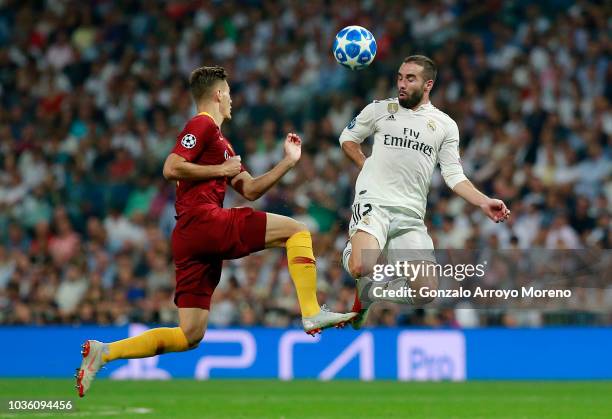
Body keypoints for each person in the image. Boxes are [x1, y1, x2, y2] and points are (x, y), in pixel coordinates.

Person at [75, 66, 355, 397]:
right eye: (230, 93)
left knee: (190, 334)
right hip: (203, 221)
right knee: (297, 232)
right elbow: (171, 166)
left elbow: (250, 189)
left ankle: (104, 352)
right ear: (219, 94)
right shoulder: (202, 124)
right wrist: (220, 169)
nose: (233, 100)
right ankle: (311, 312)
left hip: (190, 236)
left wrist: (287, 163)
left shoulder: (221, 141)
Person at [339, 55, 510, 329]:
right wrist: (366, 164)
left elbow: (454, 175)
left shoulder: (444, 125)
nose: (402, 84)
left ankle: (371, 292)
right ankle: (351, 254)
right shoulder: (379, 109)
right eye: (399, 77)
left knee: (426, 292)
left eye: (410, 78)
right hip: (375, 203)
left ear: (428, 84)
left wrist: (484, 201)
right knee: (361, 267)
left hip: (410, 216)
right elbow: (348, 139)